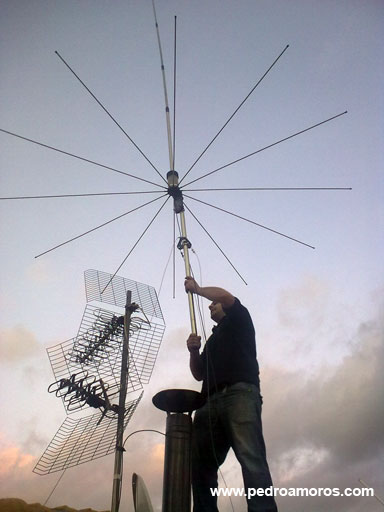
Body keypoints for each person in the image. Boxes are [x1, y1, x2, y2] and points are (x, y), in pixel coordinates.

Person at [185, 276, 277, 512]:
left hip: (239, 394)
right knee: (201, 469)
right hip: (208, 402)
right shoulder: (213, 340)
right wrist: (194, 352)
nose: (210, 305)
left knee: (251, 459)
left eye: (214, 304)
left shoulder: (240, 319)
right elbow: (198, 374)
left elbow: (225, 296)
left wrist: (198, 289)